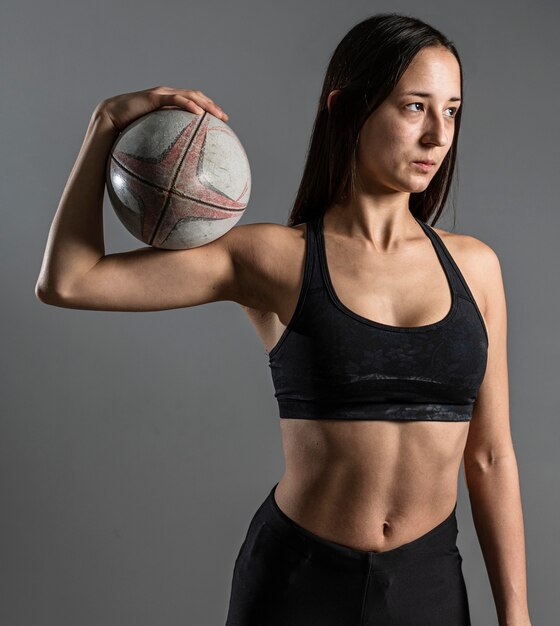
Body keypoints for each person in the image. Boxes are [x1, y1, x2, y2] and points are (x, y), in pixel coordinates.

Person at [35, 12, 531, 626]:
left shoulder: (476, 268)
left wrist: (517, 614)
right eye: (414, 107)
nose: (437, 136)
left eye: (451, 110)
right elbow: (69, 281)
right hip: (299, 582)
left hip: (426, 583)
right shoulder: (274, 257)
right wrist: (105, 123)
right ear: (346, 108)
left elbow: (489, 456)